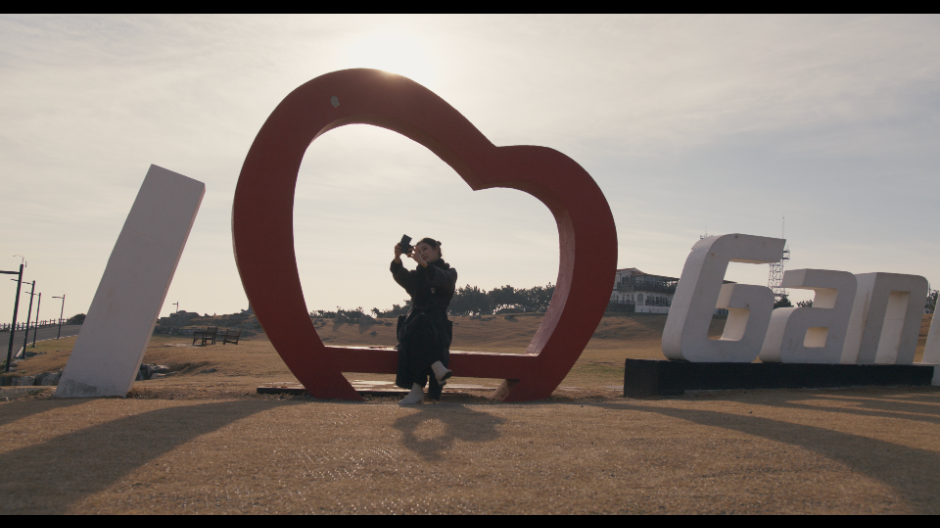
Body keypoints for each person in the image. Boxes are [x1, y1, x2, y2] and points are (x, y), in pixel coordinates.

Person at [391, 237, 457, 404]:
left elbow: (444, 280)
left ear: (436, 249)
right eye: (418, 251)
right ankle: (436, 366)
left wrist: (424, 264)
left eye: (425, 249)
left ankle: (417, 390)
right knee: (417, 324)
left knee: (418, 328)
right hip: (414, 324)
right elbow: (401, 276)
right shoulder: (417, 276)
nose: (422, 253)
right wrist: (397, 258)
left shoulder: (449, 272)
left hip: (437, 327)